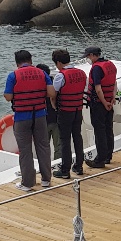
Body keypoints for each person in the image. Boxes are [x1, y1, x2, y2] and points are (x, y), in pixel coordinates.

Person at [3, 50, 52, 191]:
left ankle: (28, 183)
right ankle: (46, 180)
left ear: (17, 62)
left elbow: (8, 96)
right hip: (40, 115)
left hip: (22, 117)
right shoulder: (42, 73)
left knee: (25, 150)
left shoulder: (13, 75)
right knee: (43, 147)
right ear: (31, 60)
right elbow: (51, 93)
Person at [50, 49, 86, 180]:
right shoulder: (81, 73)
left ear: (58, 62)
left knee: (65, 140)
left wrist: (54, 106)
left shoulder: (61, 76)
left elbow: (54, 94)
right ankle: (79, 166)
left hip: (65, 111)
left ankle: (65, 170)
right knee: (77, 136)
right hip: (78, 109)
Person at [85, 45, 117, 169]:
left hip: (99, 104)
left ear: (93, 55)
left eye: (88, 56)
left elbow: (98, 89)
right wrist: (112, 98)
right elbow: (114, 83)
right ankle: (108, 155)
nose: (88, 59)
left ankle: (100, 160)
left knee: (100, 131)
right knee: (108, 129)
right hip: (109, 101)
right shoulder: (110, 65)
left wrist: (104, 103)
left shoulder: (97, 69)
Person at [37, 63, 60, 160]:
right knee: (59, 146)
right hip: (57, 119)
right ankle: (59, 164)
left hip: (43, 121)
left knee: (43, 147)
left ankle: (45, 166)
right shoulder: (56, 85)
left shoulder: (38, 88)